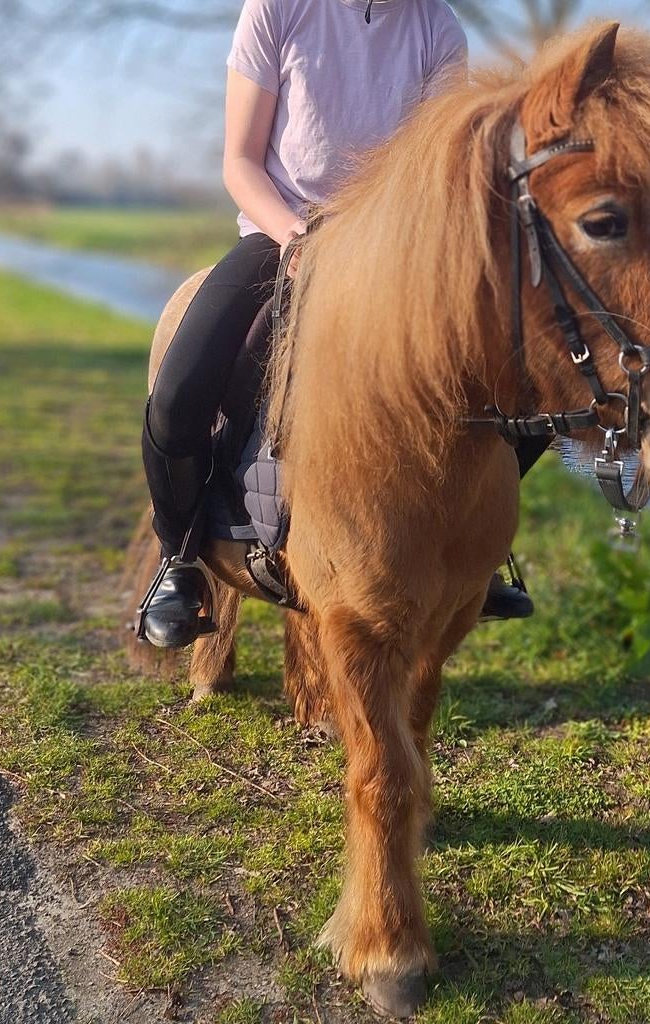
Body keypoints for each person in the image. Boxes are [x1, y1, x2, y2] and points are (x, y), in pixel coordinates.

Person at [138, 0, 535, 649]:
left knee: (526, 386)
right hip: (282, 233)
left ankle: (476, 554)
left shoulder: (438, 27)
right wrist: (297, 237)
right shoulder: (277, 10)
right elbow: (240, 162)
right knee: (179, 392)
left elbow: (442, 164)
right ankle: (178, 558)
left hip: (397, 249)